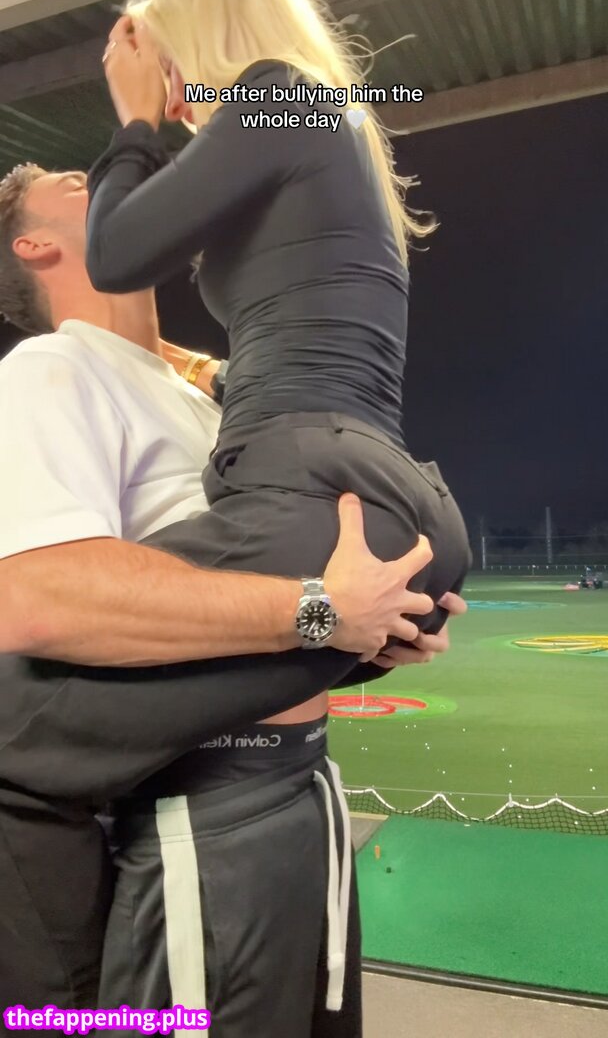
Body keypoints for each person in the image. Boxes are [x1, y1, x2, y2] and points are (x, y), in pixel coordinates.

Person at [0, 163, 465, 1023]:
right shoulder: (50, 368)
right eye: (74, 179)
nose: (113, 175)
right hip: (204, 817)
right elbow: (36, 599)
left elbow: (267, 597)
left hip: (303, 789)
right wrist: (323, 613)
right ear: (34, 244)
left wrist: (377, 622)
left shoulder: (198, 394)